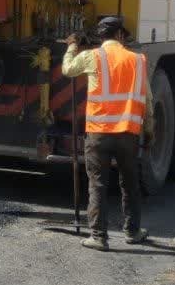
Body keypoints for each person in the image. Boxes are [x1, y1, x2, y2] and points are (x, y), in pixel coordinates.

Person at [62, 16, 154, 251]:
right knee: (129, 183)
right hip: (128, 133)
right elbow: (147, 101)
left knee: (98, 184)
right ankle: (133, 231)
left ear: (101, 37)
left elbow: (67, 69)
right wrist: (150, 131)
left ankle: (99, 237)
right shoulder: (138, 61)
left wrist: (72, 44)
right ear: (121, 35)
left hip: (99, 133)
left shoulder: (93, 57)